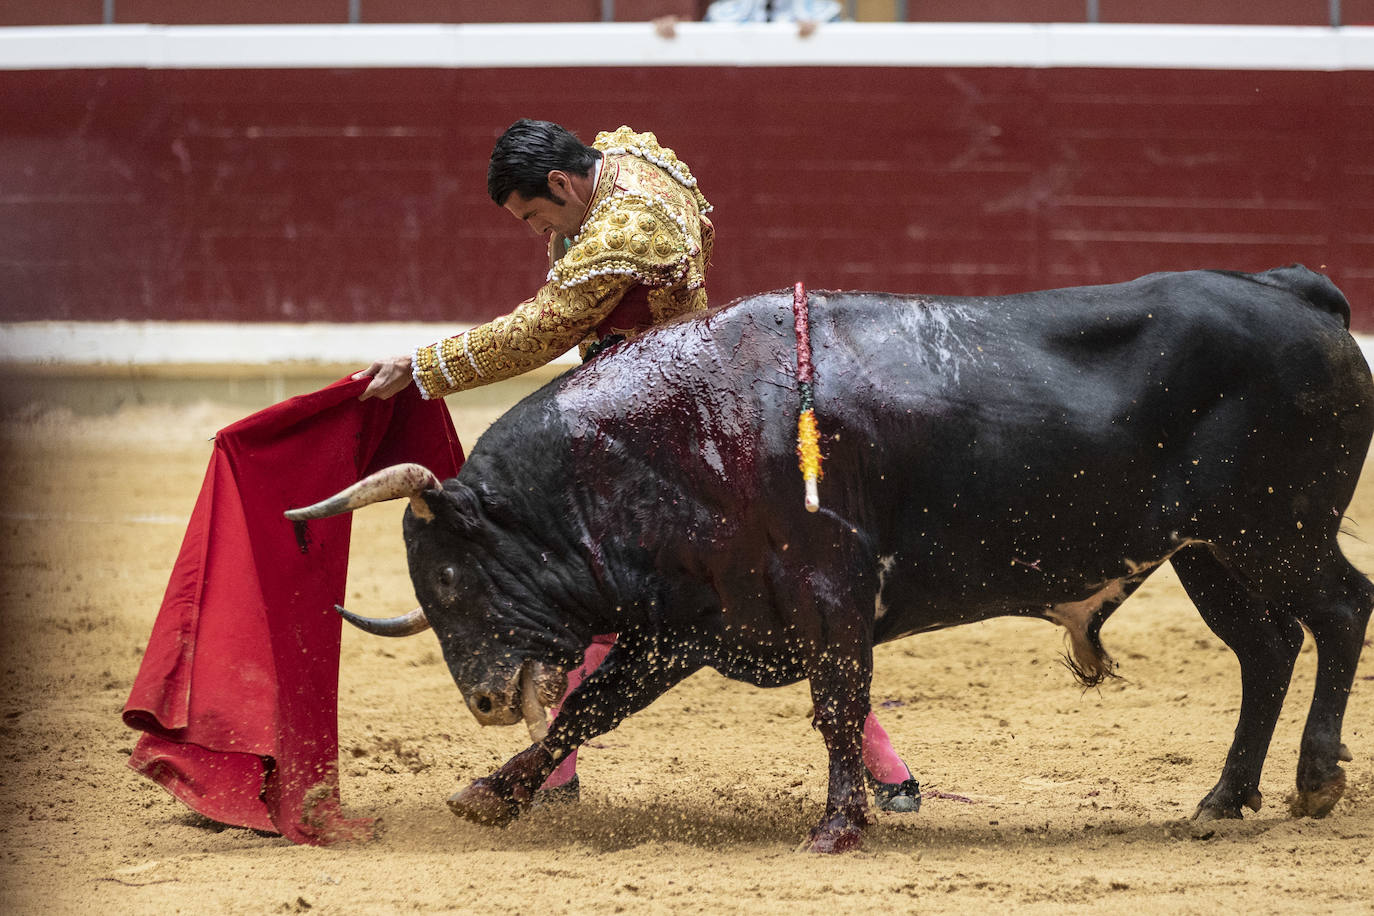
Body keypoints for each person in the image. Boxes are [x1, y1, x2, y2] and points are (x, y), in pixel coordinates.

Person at [354, 119, 921, 812]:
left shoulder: (623, 231)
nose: (537, 232)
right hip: (680, 413)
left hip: (654, 440)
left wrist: (423, 368)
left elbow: (539, 330)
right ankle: (553, 771)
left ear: (562, 183)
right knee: (734, 593)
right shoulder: (629, 161)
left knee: (736, 597)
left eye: (535, 215)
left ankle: (883, 766)